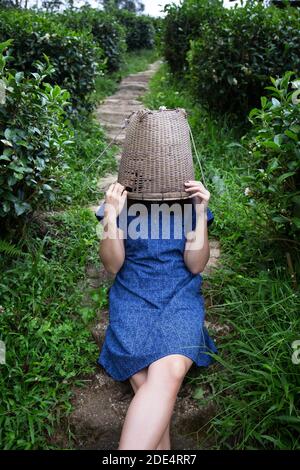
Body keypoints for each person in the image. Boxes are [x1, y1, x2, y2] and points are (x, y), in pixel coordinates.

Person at [96, 178, 218, 450]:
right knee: (145, 379)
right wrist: (112, 216)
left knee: (169, 370)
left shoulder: (189, 197)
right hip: (133, 296)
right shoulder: (120, 197)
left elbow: (196, 265)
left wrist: (199, 213)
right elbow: (112, 265)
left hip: (179, 296)